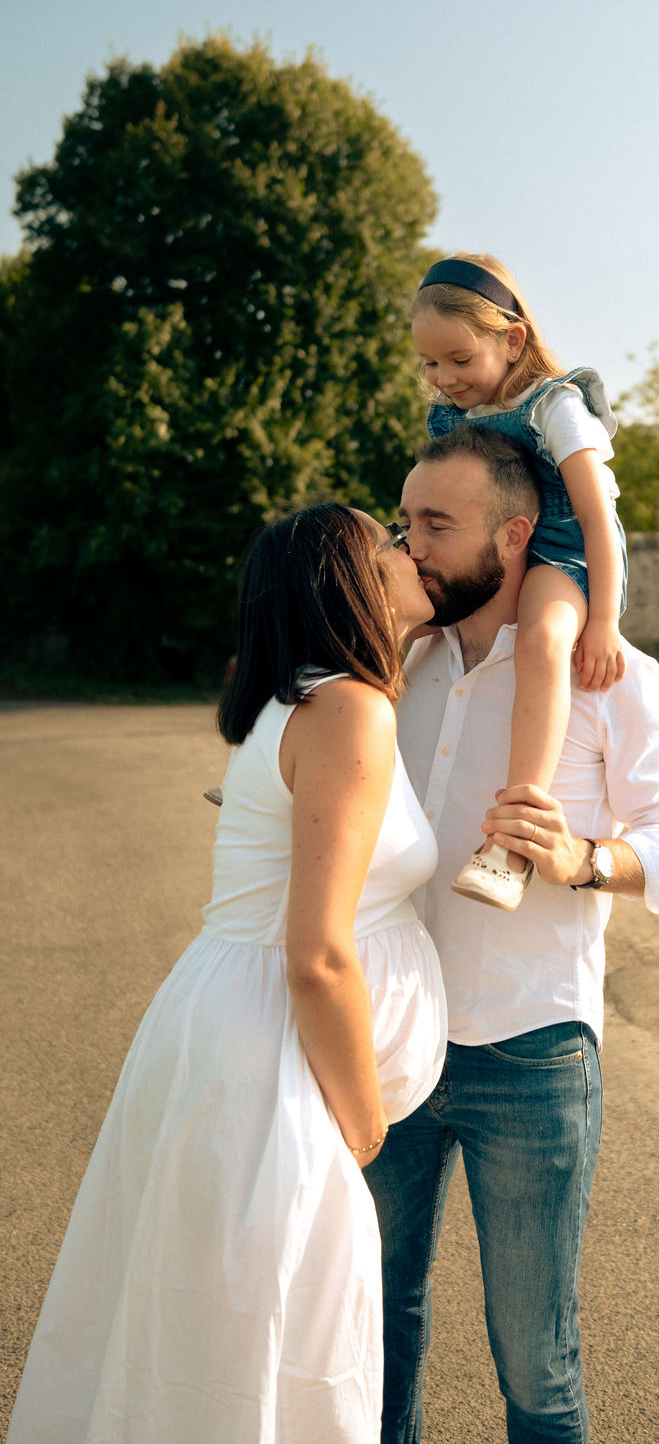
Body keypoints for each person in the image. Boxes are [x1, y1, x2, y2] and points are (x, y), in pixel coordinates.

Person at [8, 505, 448, 1444]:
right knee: (265, 1334)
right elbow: (317, 953)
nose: (411, 549)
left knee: (212, 1325)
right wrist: (364, 1119)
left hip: (232, 1027)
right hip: (273, 1060)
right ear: (353, 583)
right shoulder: (349, 710)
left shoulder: (308, 700)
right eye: (391, 542)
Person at [365, 427, 659, 1444]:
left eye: (437, 524)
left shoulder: (610, 675)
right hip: (385, 1042)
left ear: (515, 535)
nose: (411, 545)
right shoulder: (395, 663)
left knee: (536, 1364)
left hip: (531, 1054)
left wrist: (585, 859)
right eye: (405, 520)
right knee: (369, 1334)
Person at [410, 252, 629, 911]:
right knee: (381, 606)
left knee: (540, 640)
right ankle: (298, 762)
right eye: (430, 363)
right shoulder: (452, 414)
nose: (444, 378)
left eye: (459, 359)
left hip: (563, 552)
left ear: (512, 340)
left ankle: (512, 842)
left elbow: (598, 519)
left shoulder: (554, 407)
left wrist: (603, 619)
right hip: (495, 548)